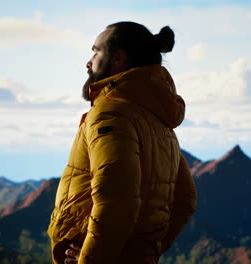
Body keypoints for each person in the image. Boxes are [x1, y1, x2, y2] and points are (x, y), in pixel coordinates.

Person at [47, 21, 197, 264]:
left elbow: (115, 202)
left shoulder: (110, 113)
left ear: (119, 59)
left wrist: (89, 259)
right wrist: (146, 251)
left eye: (96, 52)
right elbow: (185, 200)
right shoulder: (160, 123)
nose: (88, 62)